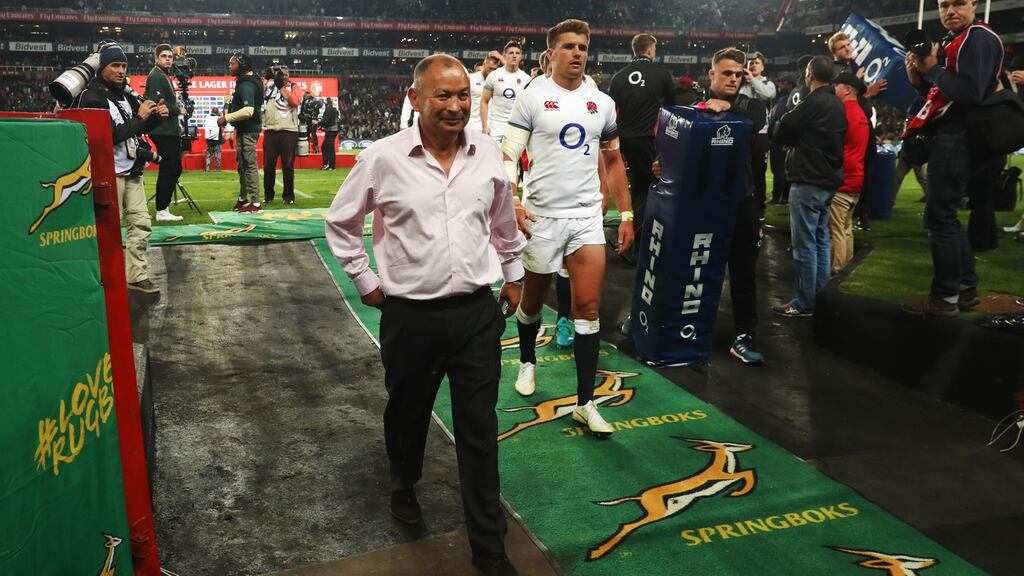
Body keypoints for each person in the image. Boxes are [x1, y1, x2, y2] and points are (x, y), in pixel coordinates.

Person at [325, 54, 526, 576]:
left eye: (463, 95)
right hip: (409, 317)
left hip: (476, 315)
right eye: (443, 96)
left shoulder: (486, 154)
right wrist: (366, 281)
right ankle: (402, 481)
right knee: (408, 413)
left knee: (479, 429)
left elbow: (503, 220)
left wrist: (514, 271)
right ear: (415, 100)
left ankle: (489, 546)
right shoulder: (382, 158)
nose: (457, 106)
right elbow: (341, 224)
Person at [502, 19, 634, 435]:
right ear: (552, 52)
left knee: (588, 309)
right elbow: (509, 154)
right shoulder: (532, 97)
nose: (577, 53)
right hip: (542, 216)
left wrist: (626, 214)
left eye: (583, 46)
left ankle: (585, 403)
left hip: (585, 218)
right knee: (532, 304)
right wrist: (513, 199)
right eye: (569, 46)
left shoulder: (603, 103)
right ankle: (527, 361)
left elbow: (613, 160)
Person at [655, 48, 769, 364]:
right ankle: (661, 321)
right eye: (727, 73)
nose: (733, 79)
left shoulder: (751, 108)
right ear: (712, 74)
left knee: (744, 273)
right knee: (686, 268)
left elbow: (753, 122)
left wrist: (724, 109)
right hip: (700, 207)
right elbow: (675, 153)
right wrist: (661, 165)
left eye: (738, 74)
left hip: (741, 206)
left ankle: (745, 335)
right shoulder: (694, 110)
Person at [901, 0, 1002, 316]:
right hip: (954, 134)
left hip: (959, 137)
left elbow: (970, 94)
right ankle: (965, 288)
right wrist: (921, 80)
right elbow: (945, 96)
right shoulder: (956, 40)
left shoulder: (979, 37)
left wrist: (932, 69)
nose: (950, 11)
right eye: (944, 5)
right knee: (945, 215)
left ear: (975, 4)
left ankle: (945, 297)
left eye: (958, 3)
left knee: (940, 216)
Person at [75, 43, 167, 293]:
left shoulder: (124, 94)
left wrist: (156, 116)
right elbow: (108, 136)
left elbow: (135, 131)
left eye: (124, 66)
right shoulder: (91, 96)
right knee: (107, 231)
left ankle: (136, 275)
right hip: (107, 174)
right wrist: (141, 118)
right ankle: (103, 277)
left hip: (132, 171)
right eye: (115, 65)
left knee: (141, 224)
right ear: (103, 67)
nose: (120, 71)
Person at [772, 55, 847, 318]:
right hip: (828, 180)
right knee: (820, 241)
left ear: (809, 75)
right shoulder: (837, 102)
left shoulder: (813, 101)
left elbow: (783, 127)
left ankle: (804, 302)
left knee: (805, 246)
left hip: (808, 180)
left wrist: (791, 140)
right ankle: (820, 299)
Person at [609, 33, 675, 263]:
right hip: (649, 138)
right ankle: (639, 244)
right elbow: (672, 109)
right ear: (650, 51)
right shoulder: (661, 74)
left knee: (636, 186)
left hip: (623, 139)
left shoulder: (618, 77)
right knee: (652, 187)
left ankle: (633, 239)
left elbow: (613, 112)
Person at [828, 32, 882, 232]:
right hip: (846, 125)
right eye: (842, 47)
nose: (848, 48)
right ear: (834, 52)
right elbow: (842, 101)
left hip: (861, 123)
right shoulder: (836, 73)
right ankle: (853, 213)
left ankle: (861, 212)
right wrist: (865, 91)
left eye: (849, 44)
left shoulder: (854, 67)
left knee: (868, 168)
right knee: (850, 166)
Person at [829, 72, 870, 275]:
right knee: (846, 227)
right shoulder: (862, 114)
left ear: (847, 89)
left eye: (837, 86)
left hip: (842, 178)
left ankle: (837, 271)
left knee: (836, 229)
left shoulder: (842, 112)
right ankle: (848, 270)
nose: (834, 89)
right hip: (857, 177)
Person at [144, 43, 184, 222]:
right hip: (163, 129)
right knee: (170, 167)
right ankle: (162, 209)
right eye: (164, 56)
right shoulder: (156, 76)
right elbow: (156, 103)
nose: (168, 59)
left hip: (168, 129)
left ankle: (163, 207)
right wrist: (178, 110)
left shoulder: (163, 75)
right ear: (156, 58)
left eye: (170, 56)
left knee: (173, 167)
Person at [220, 52, 264, 214]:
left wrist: (226, 118)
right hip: (245, 129)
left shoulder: (246, 84)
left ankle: (256, 203)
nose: (229, 66)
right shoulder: (250, 80)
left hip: (248, 130)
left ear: (242, 65)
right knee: (243, 166)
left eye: (232, 63)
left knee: (249, 165)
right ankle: (243, 199)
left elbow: (248, 110)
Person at [739, 51, 776, 212]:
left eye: (756, 62)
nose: (753, 65)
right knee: (742, 168)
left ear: (763, 66)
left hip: (761, 134)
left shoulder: (768, 83)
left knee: (759, 171)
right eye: (750, 62)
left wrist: (752, 79)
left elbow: (768, 95)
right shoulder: (741, 84)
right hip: (743, 133)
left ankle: (760, 205)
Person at [262, 65, 302, 205]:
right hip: (271, 130)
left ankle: (288, 196)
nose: (283, 77)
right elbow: (259, 94)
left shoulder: (294, 87)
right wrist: (267, 79)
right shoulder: (270, 87)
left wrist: (281, 88)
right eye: (280, 74)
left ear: (289, 75)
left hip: (289, 131)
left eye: (285, 74)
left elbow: (295, 102)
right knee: (268, 166)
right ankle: (268, 196)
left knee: (288, 165)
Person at [480, 40, 531, 144]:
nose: (514, 56)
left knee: (512, 160)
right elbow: (484, 101)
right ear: (504, 55)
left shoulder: (526, 79)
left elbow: (529, 106)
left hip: (516, 128)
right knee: (495, 159)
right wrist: (485, 126)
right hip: (495, 128)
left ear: (521, 57)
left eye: (517, 53)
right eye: (511, 53)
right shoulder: (494, 76)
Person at [768, 76, 795, 204]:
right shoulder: (782, 99)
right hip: (778, 138)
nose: (780, 85)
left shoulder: (790, 99)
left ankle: (779, 196)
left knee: (779, 170)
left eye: (783, 82)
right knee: (780, 169)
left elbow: (780, 120)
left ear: (790, 84)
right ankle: (783, 197)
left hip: (780, 139)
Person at [468, 51, 502, 132]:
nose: (492, 72)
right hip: (472, 126)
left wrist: (501, 58)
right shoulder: (470, 79)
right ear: (484, 65)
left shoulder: (498, 81)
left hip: (491, 127)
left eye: (495, 69)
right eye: (490, 68)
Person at [321, 97, 339, 170]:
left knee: (329, 148)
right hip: (333, 130)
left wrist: (319, 123)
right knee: (326, 147)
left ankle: (331, 165)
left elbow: (326, 121)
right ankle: (328, 164)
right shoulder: (335, 110)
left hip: (330, 130)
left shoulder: (329, 110)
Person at [203, 106, 223, 172]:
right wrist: (221, 115)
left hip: (209, 139)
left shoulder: (207, 117)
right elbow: (223, 124)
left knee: (209, 154)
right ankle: (217, 169)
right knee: (218, 155)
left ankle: (207, 168)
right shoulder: (219, 118)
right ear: (217, 112)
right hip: (217, 139)